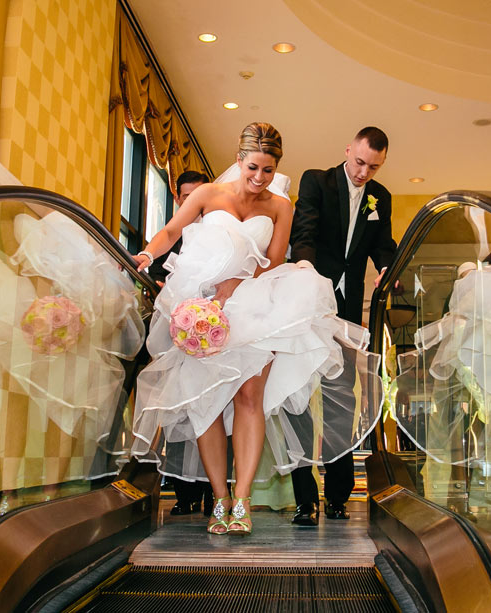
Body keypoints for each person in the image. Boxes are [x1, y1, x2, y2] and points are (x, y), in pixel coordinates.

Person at [130, 122, 381, 535]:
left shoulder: (281, 206)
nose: (258, 178)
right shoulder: (209, 195)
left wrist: (238, 282)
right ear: (238, 160)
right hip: (202, 304)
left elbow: (276, 259)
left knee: (250, 396)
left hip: (252, 305)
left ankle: (242, 498)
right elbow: (173, 231)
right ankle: (220, 498)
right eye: (252, 168)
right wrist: (147, 252)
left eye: (268, 170)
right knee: (205, 403)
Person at [288, 126, 396, 525]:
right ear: (348, 149)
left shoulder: (380, 197)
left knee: (341, 402)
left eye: (374, 167)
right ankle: (304, 499)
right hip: (309, 303)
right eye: (360, 162)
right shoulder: (316, 181)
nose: (364, 172)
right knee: (299, 399)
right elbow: (305, 230)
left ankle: (337, 496)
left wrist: (387, 265)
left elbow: (381, 242)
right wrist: (304, 272)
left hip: (348, 311)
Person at [146, 170, 214, 517]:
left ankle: (213, 491)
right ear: (178, 199)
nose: (192, 203)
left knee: (213, 409)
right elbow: (154, 274)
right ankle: (184, 492)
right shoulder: (171, 237)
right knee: (179, 410)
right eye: (185, 197)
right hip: (179, 334)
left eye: (198, 195)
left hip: (214, 334)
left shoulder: (220, 232)